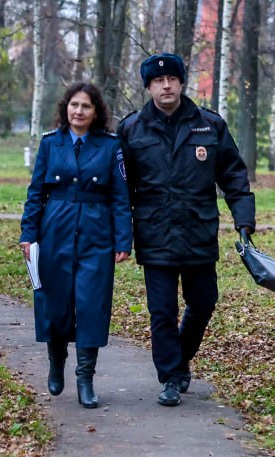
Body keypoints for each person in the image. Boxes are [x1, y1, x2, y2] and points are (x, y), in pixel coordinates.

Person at [118, 53, 255, 407]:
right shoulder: (132, 130)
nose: (166, 85)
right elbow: (120, 191)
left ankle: (179, 357)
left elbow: (234, 176)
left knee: (204, 302)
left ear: (181, 83)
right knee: (161, 311)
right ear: (148, 87)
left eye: (172, 79)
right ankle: (170, 377)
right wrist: (118, 234)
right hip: (155, 233)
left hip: (198, 231)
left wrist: (244, 219)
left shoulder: (209, 126)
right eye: (158, 81)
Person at [20, 83, 133, 409]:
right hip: (54, 230)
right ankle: (57, 363)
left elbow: (120, 197)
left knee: (90, 305)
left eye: (85, 106)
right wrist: (28, 235)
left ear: (96, 111)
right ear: (65, 108)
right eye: (74, 105)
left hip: (97, 234)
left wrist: (123, 239)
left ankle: (86, 379)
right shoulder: (50, 144)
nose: (78, 111)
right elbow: (36, 194)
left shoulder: (111, 147)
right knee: (55, 305)